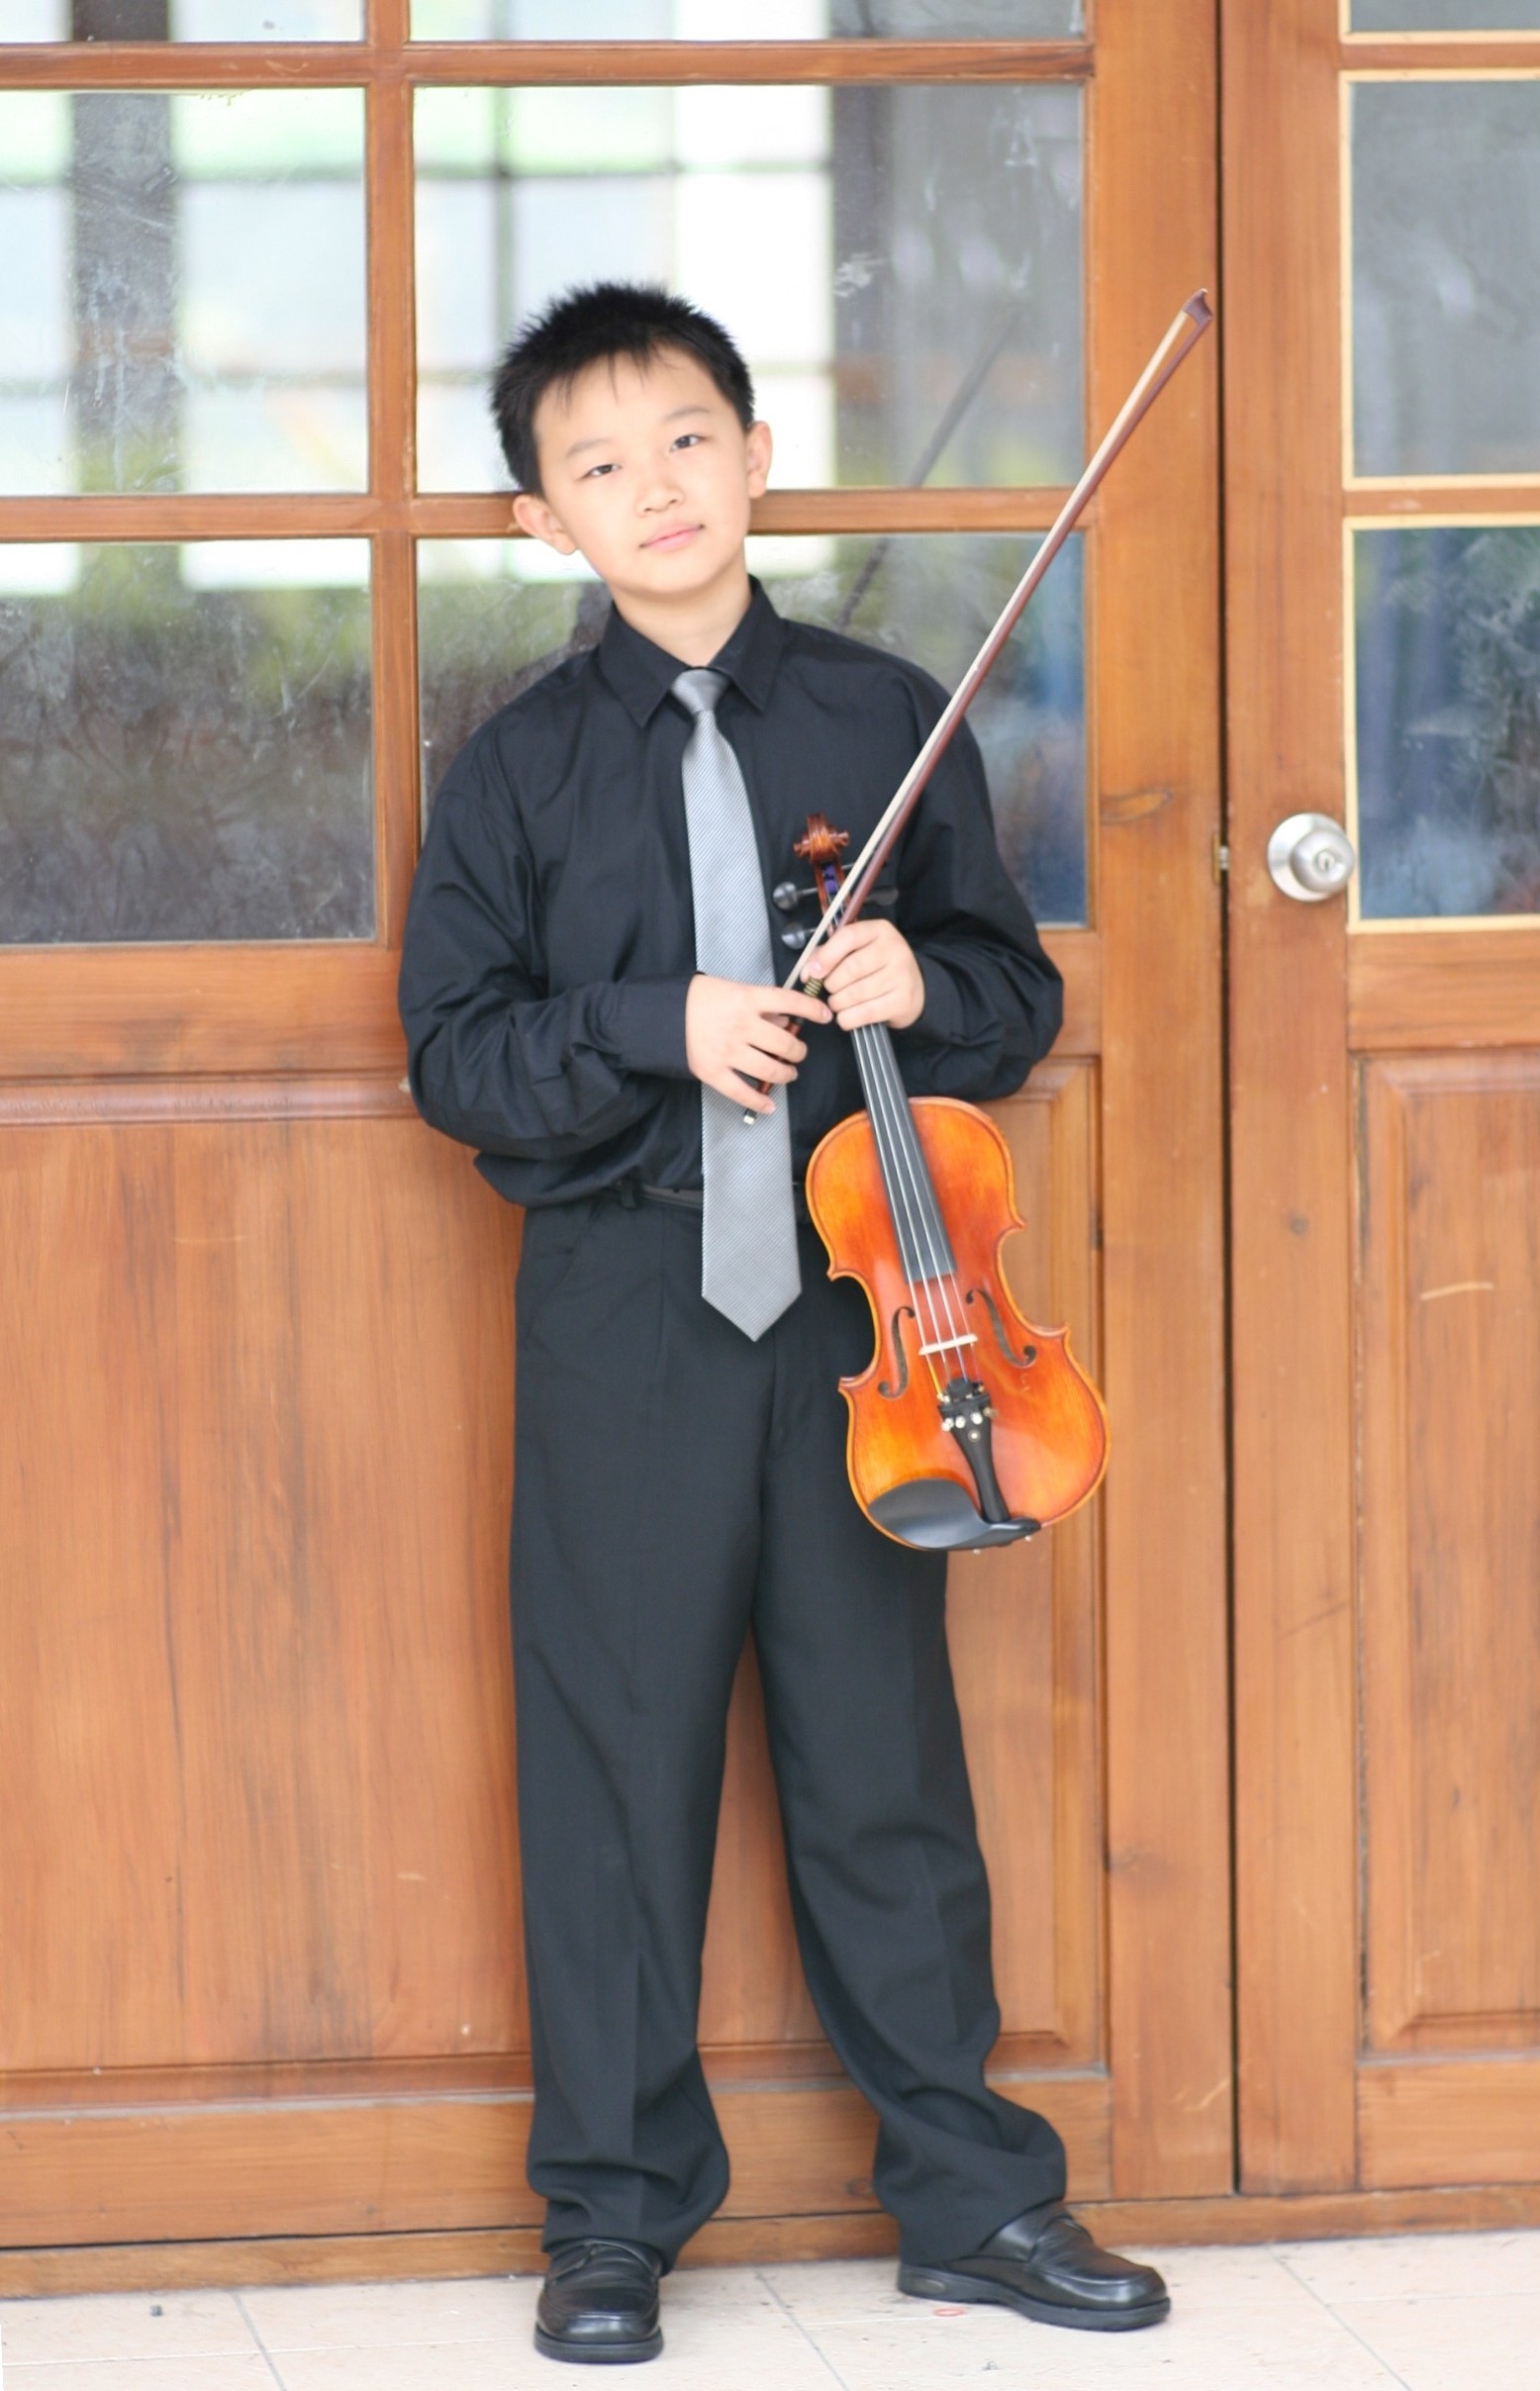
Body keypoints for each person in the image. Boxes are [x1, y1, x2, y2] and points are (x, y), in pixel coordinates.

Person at [398, 281, 1168, 2365]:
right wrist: (655, 1025)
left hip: (872, 1313)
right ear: (543, 520)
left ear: (753, 455)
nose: (653, 487)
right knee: (613, 1763)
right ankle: (612, 2221)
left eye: (685, 440)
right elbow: (454, 1055)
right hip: (627, 1303)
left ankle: (975, 2197)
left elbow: (1009, 994)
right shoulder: (520, 771)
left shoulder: (880, 713)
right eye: (597, 464)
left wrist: (928, 985)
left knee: (879, 1754)